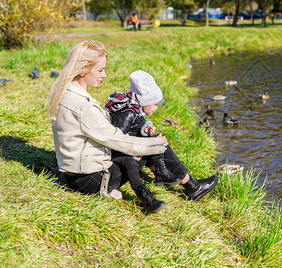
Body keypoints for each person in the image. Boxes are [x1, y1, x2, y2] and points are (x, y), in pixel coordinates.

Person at [47, 40, 169, 213]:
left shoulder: (65, 93)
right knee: (145, 149)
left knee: (138, 149)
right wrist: (158, 144)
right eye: (100, 70)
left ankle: (174, 184)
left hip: (73, 173)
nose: (104, 75)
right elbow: (117, 140)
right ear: (82, 69)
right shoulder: (83, 105)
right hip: (91, 180)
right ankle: (159, 190)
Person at [105, 70, 219, 210]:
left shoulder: (133, 108)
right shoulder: (127, 113)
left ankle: (186, 183)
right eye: (154, 104)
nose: (156, 108)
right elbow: (116, 141)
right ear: (144, 101)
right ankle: (190, 186)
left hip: (127, 157)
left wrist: (145, 132)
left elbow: (132, 133)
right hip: (121, 163)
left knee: (156, 142)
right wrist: (142, 149)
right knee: (158, 144)